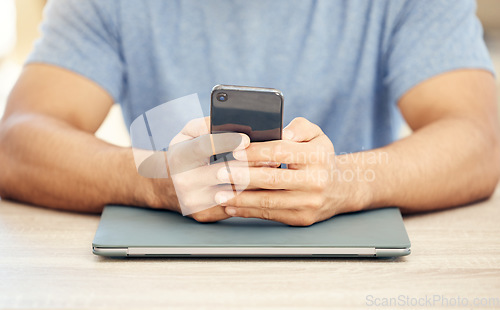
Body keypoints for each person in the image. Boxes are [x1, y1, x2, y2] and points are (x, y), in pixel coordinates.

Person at [0, 0, 498, 226]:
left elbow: (480, 138)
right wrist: (151, 180)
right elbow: (18, 141)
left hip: (353, 278)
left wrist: (348, 181)